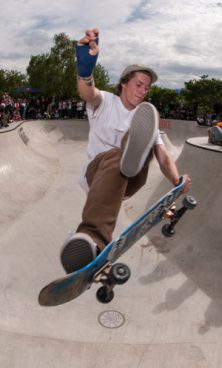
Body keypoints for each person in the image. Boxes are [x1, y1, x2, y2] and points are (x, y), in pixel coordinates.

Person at [58, 28, 191, 273]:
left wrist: (176, 180)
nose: (142, 91)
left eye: (146, 88)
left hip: (130, 180)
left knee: (147, 139)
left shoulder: (147, 117)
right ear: (123, 84)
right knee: (116, 155)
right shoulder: (106, 102)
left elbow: (163, 156)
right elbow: (88, 93)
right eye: (138, 84)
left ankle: (132, 152)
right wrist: (85, 70)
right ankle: (91, 241)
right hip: (96, 174)